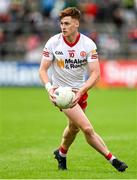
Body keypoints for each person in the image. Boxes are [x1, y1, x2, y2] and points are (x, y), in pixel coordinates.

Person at [39, 7, 128, 172]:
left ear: (76, 24)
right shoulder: (53, 42)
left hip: (80, 91)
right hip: (62, 93)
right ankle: (113, 160)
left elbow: (96, 74)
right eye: (61, 23)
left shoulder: (87, 44)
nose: (63, 27)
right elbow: (43, 70)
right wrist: (49, 88)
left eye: (67, 23)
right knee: (86, 128)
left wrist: (81, 91)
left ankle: (61, 153)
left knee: (73, 128)